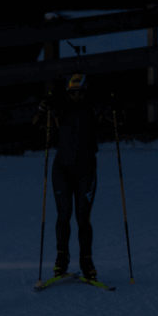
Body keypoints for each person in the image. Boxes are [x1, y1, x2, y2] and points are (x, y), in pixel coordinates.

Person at [38, 73, 104, 282]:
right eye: (72, 92)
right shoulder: (60, 109)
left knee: (83, 217)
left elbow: (120, 121)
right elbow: (36, 123)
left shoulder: (95, 108)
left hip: (86, 169)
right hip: (62, 170)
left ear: (86, 91)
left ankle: (87, 262)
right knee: (63, 215)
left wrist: (115, 105)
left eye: (80, 92)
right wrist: (43, 107)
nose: (77, 96)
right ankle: (61, 260)